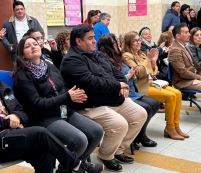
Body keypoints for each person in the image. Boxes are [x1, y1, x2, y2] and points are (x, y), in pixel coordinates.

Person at [60, 24, 147, 172]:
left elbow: (117, 73)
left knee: (140, 114)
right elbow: (92, 83)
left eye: (94, 37)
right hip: (91, 104)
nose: (95, 41)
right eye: (90, 38)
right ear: (78, 41)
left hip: (111, 98)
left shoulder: (98, 55)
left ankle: (118, 150)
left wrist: (122, 84)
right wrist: (117, 86)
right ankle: (106, 156)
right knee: (120, 124)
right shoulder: (71, 60)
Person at [12, 36, 104, 173]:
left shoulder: (48, 65)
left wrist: (74, 96)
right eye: (27, 46)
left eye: (35, 43)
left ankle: (67, 168)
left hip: (63, 111)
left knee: (96, 131)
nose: (33, 47)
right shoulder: (22, 75)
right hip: (43, 118)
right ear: (21, 54)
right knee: (79, 140)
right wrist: (67, 97)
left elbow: (62, 87)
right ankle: (74, 167)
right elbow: (36, 104)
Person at [0, 80, 103, 173]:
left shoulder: (2, 86)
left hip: (13, 138)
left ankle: (75, 165)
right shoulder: (22, 77)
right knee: (40, 133)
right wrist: (8, 123)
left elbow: (21, 110)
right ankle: (76, 164)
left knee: (45, 154)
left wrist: (17, 116)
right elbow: (35, 105)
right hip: (2, 140)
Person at [122, 31, 188, 141]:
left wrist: (153, 62)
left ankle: (176, 126)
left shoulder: (141, 54)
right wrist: (149, 60)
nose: (138, 43)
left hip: (151, 82)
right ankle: (170, 127)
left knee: (178, 93)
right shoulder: (126, 55)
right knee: (170, 97)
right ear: (128, 42)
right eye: (135, 40)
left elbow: (154, 71)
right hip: (141, 86)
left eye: (139, 40)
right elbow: (139, 74)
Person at [97, 33, 160, 150]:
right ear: (108, 46)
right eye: (115, 43)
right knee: (146, 108)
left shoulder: (120, 56)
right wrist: (130, 75)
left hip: (132, 90)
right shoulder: (105, 60)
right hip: (120, 93)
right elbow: (113, 81)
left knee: (154, 104)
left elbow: (151, 72)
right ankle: (139, 136)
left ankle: (140, 134)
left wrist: (133, 74)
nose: (118, 44)